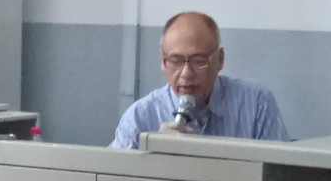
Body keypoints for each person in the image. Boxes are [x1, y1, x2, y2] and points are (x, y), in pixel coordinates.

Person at [110, 11, 289, 149]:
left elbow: (281, 176)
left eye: (199, 61)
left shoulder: (256, 104)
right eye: (175, 61)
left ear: (220, 60)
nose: (186, 73)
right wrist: (152, 153)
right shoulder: (140, 116)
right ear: (162, 61)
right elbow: (111, 179)